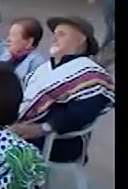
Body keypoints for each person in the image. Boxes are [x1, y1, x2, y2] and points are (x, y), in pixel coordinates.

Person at [10, 16, 115, 163]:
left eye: (61, 34)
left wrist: (43, 128)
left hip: (57, 142)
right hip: (25, 131)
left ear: (81, 40)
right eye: (54, 34)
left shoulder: (90, 73)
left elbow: (83, 113)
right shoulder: (45, 68)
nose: (54, 38)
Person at [5, 17, 47, 82]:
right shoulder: (7, 56)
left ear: (29, 42)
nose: (8, 39)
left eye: (14, 35)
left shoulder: (38, 64)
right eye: (9, 35)